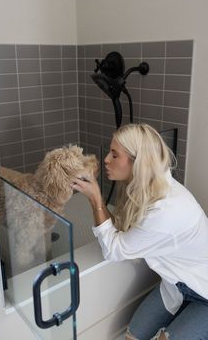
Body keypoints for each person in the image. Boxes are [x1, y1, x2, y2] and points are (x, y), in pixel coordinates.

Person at [72, 123, 208, 340]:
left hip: (205, 291)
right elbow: (118, 228)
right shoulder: (150, 187)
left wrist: (95, 198)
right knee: (132, 337)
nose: (106, 159)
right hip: (176, 285)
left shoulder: (166, 210)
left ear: (138, 162)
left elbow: (114, 250)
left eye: (114, 155)